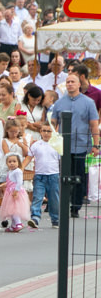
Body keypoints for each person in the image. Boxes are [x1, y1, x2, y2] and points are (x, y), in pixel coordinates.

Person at [49, 73, 101, 218]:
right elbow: (53, 123)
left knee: (78, 176)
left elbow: (94, 125)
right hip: (63, 146)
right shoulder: (59, 103)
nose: (70, 84)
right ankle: (62, 203)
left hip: (81, 145)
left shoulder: (88, 102)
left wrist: (96, 145)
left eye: (73, 81)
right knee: (63, 176)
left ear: (79, 84)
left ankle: (75, 206)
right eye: (68, 82)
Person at [25, 122, 60, 229]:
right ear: (40, 132)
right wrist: (22, 167)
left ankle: (55, 219)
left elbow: (61, 160)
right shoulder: (36, 145)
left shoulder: (57, 145)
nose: (46, 133)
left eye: (49, 131)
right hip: (39, 175)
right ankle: (35, 217)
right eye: (44, 131)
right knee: (37, 196)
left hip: (53, 175)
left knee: (54, 198)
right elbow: (29, 157)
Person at [0, 154, 30, 232]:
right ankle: (13, 225)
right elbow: (11, 182)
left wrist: (16, 192)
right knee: (11, 210)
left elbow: (19, 182)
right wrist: (3, 185)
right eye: (9, 162)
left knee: (14, 209)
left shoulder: (18, 171)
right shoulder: (10, 172)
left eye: (14, 161)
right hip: (10, 192)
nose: (12, 163)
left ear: (18, 162)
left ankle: (18, 224)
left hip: (15, 192)